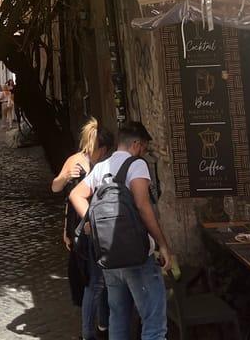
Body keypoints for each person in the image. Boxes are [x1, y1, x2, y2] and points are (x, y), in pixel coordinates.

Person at [70, 121, 173, 340]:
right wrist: (163, 245)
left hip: (110, 258)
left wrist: (93, 223)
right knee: (153, 324)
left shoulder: (101, 167)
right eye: (144, 148)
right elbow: (143, 208)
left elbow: (75, 195)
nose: (144, 152)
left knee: (118, 317)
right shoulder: (136, 165)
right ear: (136, 144)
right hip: (138, 256)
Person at [52, 118, 114, 340]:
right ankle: (91, 332)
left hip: (98, 228)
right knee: (93, 282)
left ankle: (101, 327)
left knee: (101, 281)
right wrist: (67, 176)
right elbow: (56, 187)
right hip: (82, 229)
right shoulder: (76, 161)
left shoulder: (105, 163)